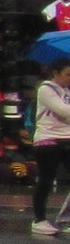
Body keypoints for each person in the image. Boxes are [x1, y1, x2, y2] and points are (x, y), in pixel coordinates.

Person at [32, 59, 70, 234]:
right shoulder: (46, 89)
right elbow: (63, 110)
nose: (69, 78)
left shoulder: (67, 91)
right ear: (56, 73)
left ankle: (66, 218)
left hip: (67, 138)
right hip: (48, 139)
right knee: (46, 180)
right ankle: (39, 220)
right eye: (67, 74)